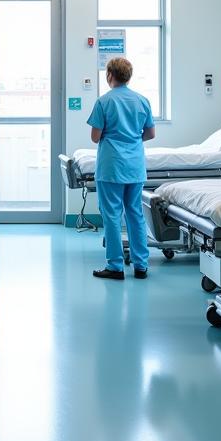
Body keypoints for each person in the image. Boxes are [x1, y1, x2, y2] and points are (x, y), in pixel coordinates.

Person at [87, 56, 155, 281]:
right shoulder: (142, 100)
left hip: (111, 166)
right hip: (135, 166)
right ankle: (141, 265)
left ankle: (115, 266)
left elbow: (95, 137)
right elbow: (150, 134)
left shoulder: (104, 102)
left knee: (112, 216)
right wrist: (131, 140)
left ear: (109, 75)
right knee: (135, 214)